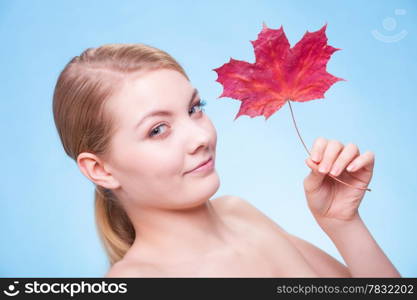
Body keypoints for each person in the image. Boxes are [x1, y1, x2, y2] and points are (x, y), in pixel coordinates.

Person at [52, 43, 400, 277]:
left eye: (195, 109)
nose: (201, 138)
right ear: (99, 169)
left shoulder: (240, 213)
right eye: (158, 130)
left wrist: (342, 223)